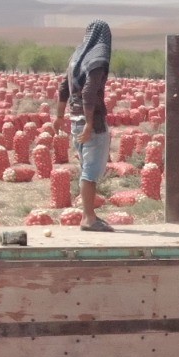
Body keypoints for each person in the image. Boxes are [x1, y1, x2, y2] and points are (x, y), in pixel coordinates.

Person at [53, 20, 113, 232]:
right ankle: (88, 217)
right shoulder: (98, 56)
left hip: (74, 119)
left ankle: (90, 215)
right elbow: (89, 92)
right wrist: (90, 124)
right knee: (91, 171)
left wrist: (60, 115)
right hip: (91, 122)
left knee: (86, 168)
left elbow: (63, 88)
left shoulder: (77, 56)